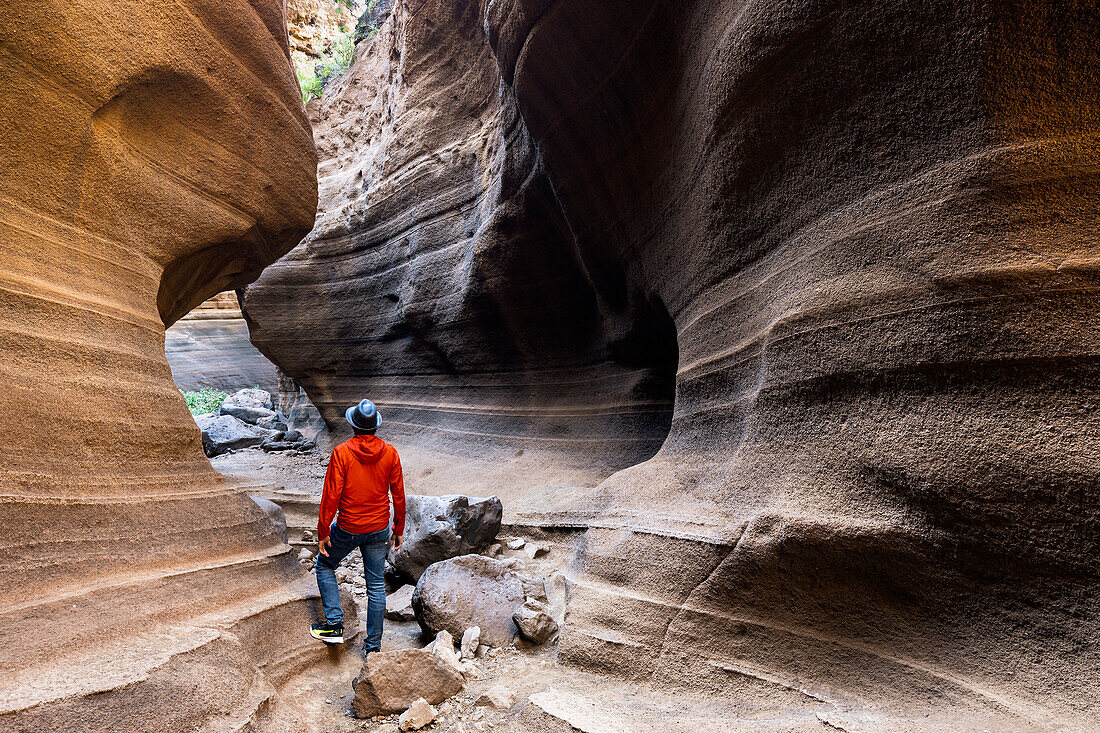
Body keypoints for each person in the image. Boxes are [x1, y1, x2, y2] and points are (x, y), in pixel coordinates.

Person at [309, 398, 405, 653]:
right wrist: (398, 529)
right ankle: (373, 647)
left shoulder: (342, 452)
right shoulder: (390, 453)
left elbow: (331, 495)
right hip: (378, 528)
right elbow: (398, 494)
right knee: (375, 585)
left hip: (349, 527)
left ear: (353, 426)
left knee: (325, 564)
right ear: (375, 427)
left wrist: (323, 531)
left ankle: (333, 625)